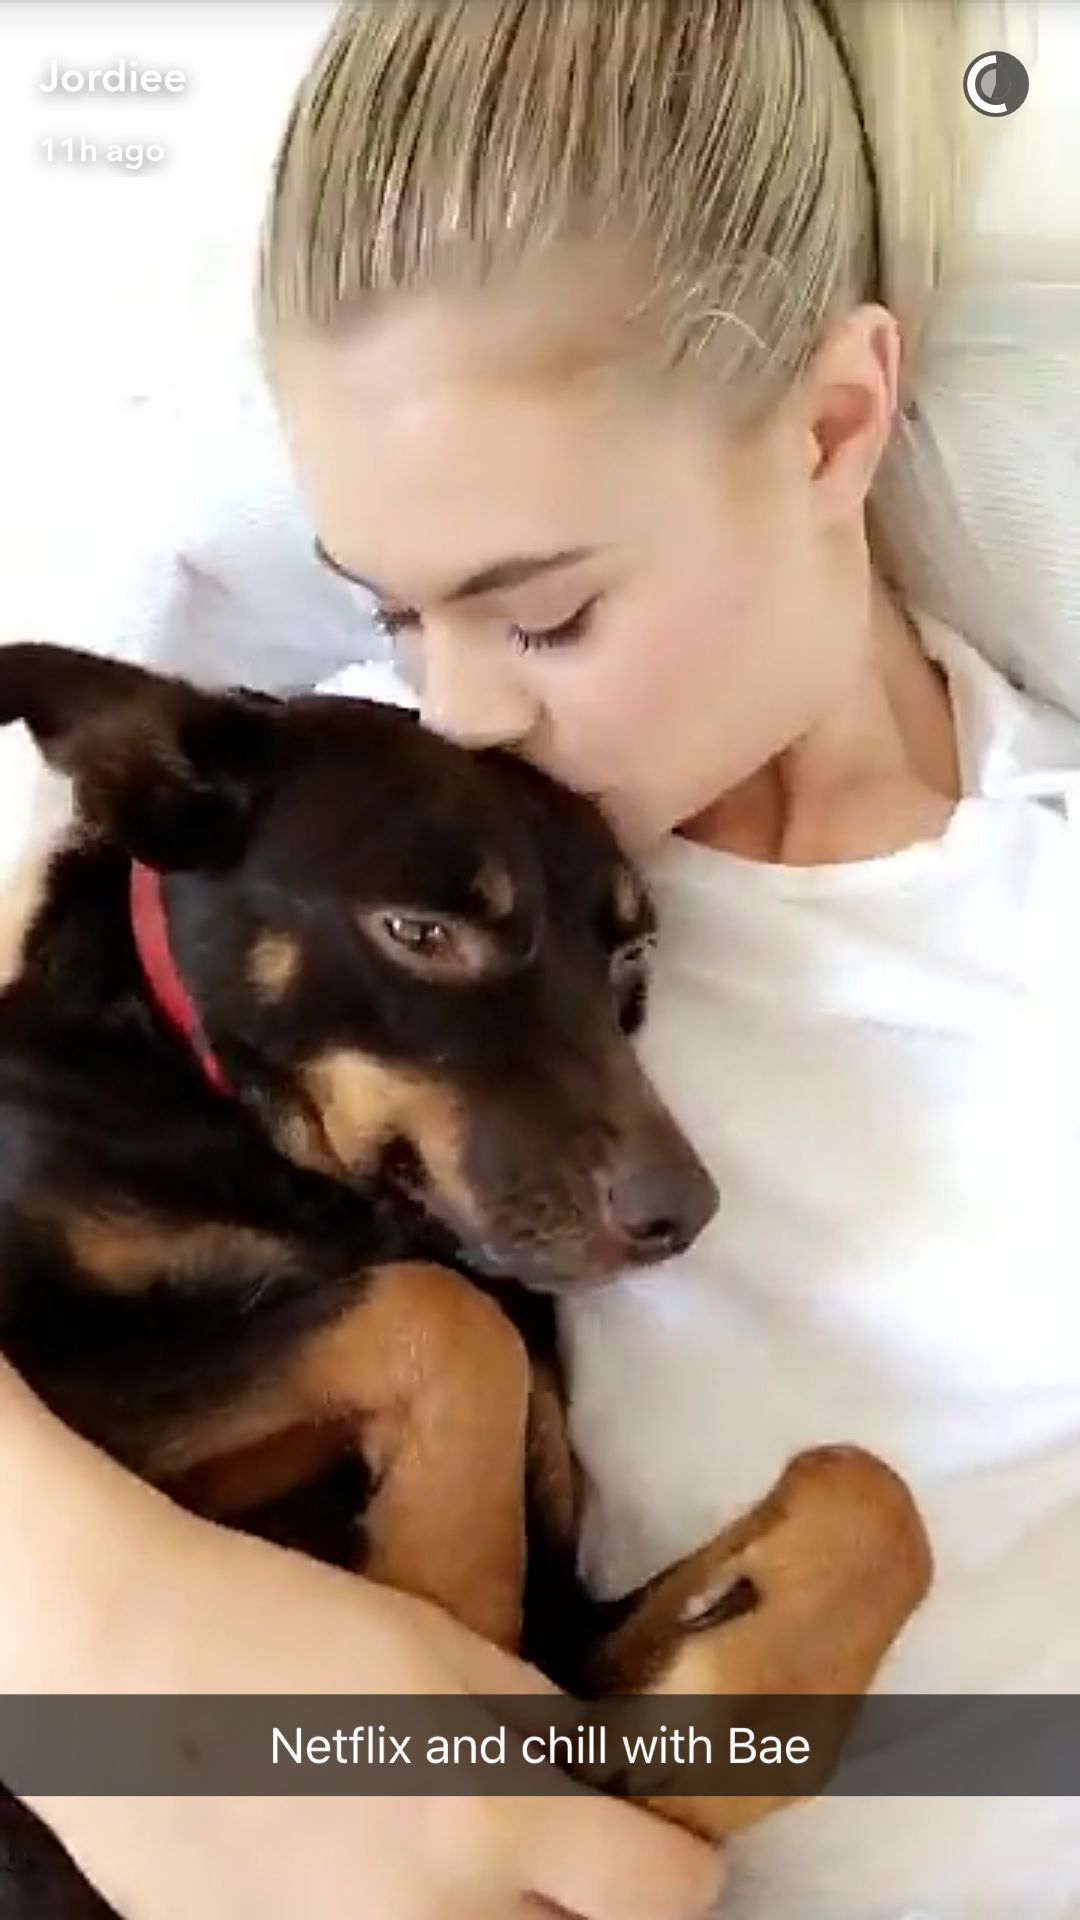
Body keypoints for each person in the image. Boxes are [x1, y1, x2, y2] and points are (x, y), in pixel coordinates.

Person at [4, 1, 1080, 1916]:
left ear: (833, 428)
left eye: (550, 614)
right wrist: (97, 1620)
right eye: (394, 615)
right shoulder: (297, 838)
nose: (462, 713)